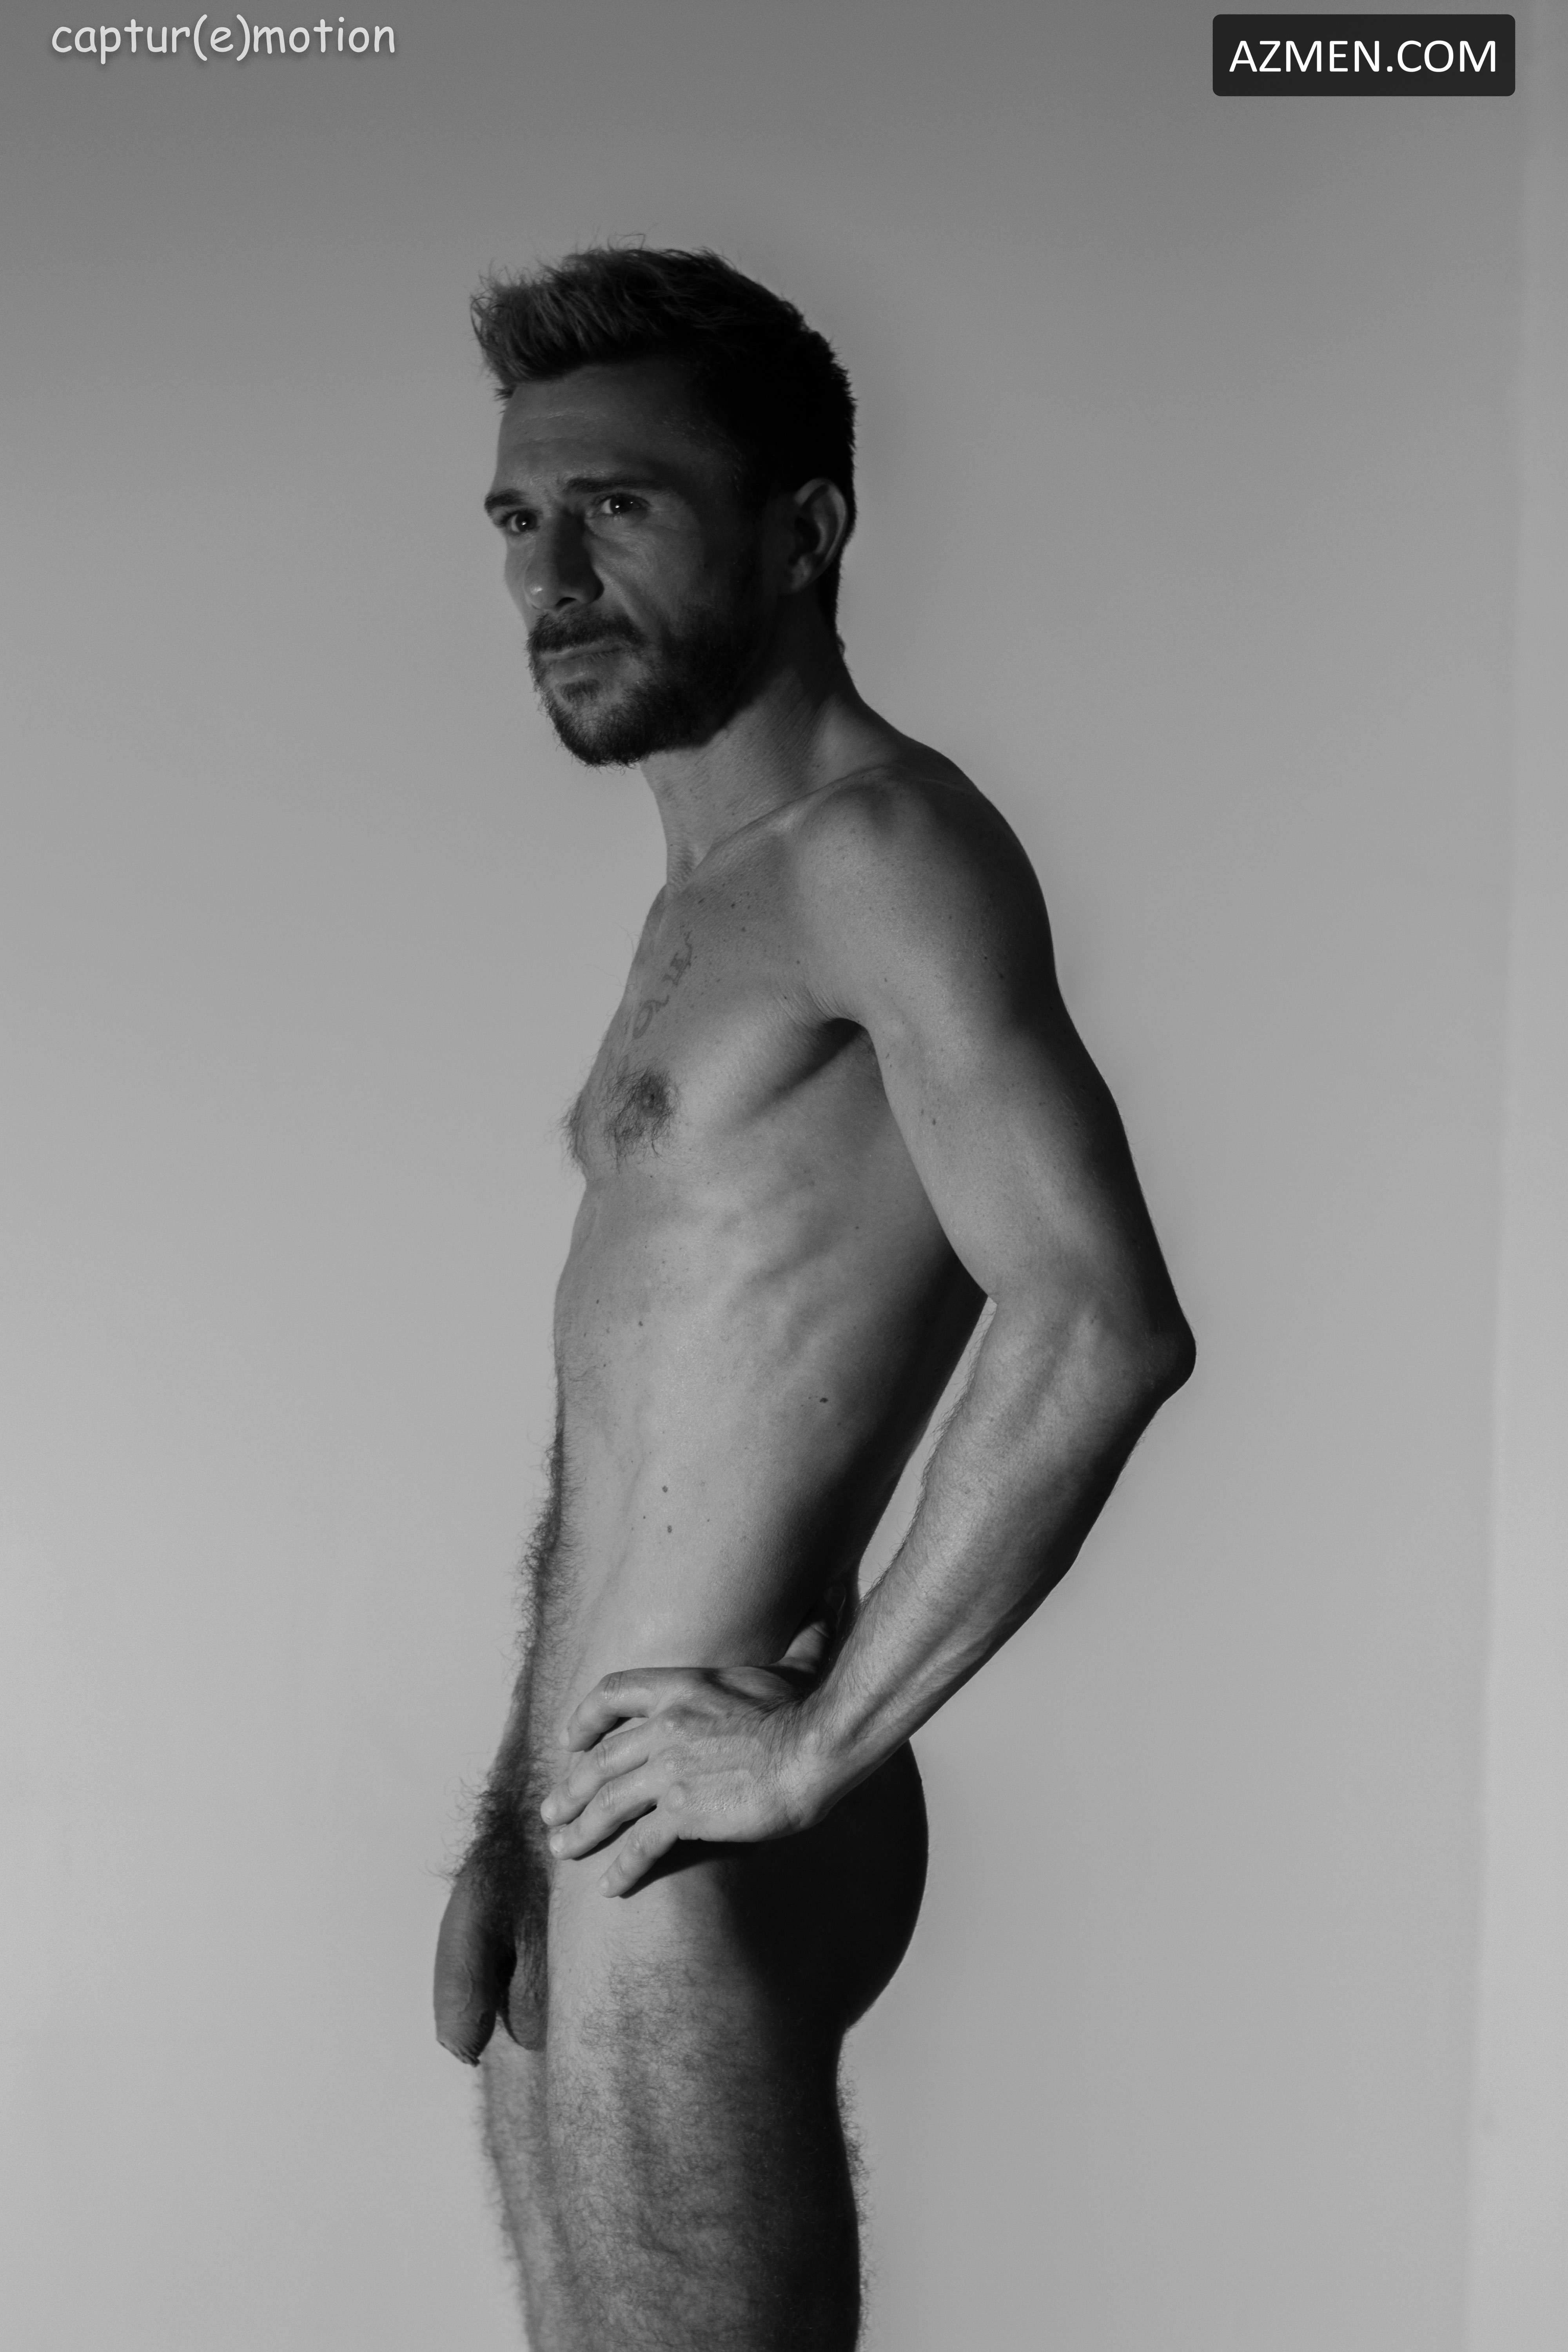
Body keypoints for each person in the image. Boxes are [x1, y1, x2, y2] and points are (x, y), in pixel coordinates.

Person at [433, 245, 1194, 2351]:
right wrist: (515, 1807)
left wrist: (809, 1755)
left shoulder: (881, 851)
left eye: (620, 507)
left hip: (704, 1840)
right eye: (518, 518)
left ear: (804, 532)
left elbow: (1101, 1320)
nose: (551, 577)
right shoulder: (712, 894)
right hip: (601, 1833)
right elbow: (645, 1414)